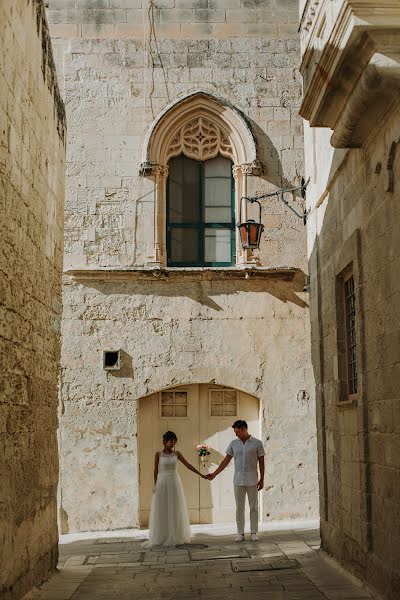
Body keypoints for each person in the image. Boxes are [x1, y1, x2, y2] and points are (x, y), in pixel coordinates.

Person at [143, 430, 206, 547]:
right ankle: (162, 536)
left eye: (174, 441)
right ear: (165, 441)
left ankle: (175, 535)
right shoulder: (158, 454)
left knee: (175, 508)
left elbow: (188, 465)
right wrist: (155, 485)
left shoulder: (177, 454)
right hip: (162, 483)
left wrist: (201, 474)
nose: (173, 443)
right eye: (171, 441)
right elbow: (155, 471)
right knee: (162, 508)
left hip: (174, 482)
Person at [206, 420, 265, 542]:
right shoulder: (233, 444)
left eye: (237, 432)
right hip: (238, 480)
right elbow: (226, 461)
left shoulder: (257, 443)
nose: (236, 434)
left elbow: (262, 462)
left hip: (252, 479)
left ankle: (254, 532)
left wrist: (262, 479)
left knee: (253, 506)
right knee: (239, 507)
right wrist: (215, 474)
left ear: (244, 429)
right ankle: (240, 533)